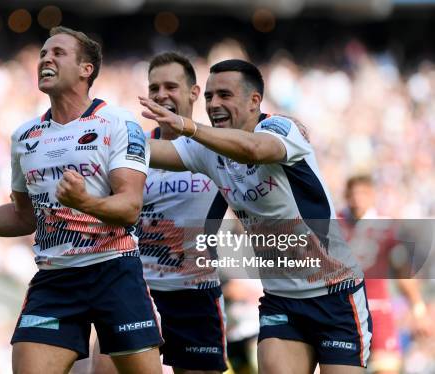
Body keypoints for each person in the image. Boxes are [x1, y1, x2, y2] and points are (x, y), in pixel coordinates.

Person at [0, 26, 163, 374]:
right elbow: (25, 217)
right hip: (56, 278)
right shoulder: (25, 136)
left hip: (114, 271)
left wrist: (84, 201)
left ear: (87, 70)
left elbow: (130, 207)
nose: (45, 59)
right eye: (42, 54)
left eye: (58, 53)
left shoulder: (118, 122)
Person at [139, 59, 371, 374]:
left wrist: (191, 128)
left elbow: (254, 149)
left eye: (224, 95)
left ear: (254, 101)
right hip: (281, 299)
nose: (213, 104)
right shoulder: (207, 149)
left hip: (335, 294)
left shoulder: (281, 128)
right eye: (209, 97)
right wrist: (97, 138)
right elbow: (147, 150)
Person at [94, 52, 229, 374]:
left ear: (194, 93)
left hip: (194, 293)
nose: (161, 95)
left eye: (171, 86)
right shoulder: (133, 147)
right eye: (155, 88)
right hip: (135, 289)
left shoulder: (221, 149)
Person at [339, 175, 431, 374]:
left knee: (387, 367)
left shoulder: (387, 227)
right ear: (346, 196)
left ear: (372, 196)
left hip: (377, 311)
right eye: (353, 193)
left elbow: (402, 272)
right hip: (342, 313)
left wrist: (418, 309)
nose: (357, 199)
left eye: (363, 193)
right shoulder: (335, 223)